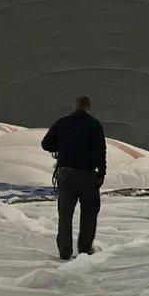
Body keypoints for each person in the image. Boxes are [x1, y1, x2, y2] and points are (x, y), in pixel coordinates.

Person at [41, 96, 106, 261]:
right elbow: (100, 151)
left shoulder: (62, 123)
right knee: (89, 214)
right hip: (87, 175)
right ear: (89, 108)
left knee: (65, 214)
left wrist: (61, 147)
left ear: (75, 107)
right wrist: (102, 172)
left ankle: (64, 251)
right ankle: (84, 250)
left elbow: (46, 144)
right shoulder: (94, 125)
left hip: (65, 174)